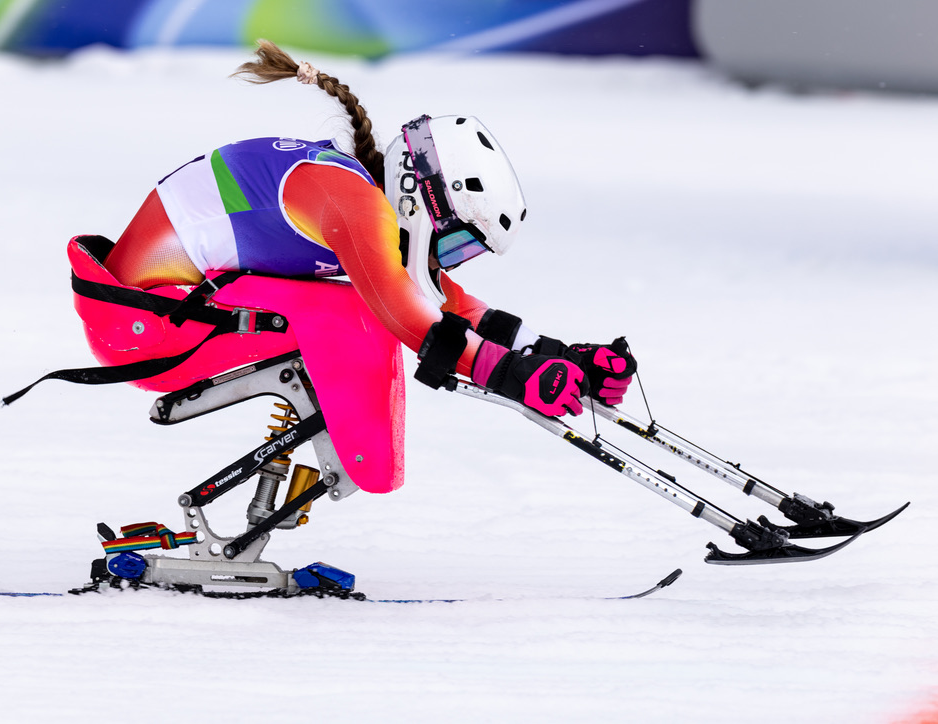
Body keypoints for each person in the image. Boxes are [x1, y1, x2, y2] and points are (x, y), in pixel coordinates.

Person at [37, 40, 635, 494]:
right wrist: (506, 372)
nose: (447, 258)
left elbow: (443, 300)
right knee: (361, 315)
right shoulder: (351, 202)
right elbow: (404, 311)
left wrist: (552, 353)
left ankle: (326, 476)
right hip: (145, 329)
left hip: (152, 315)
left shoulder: (357, 200)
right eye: (456, 243)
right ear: (426, 200)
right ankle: (356, 471)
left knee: (360, 309)